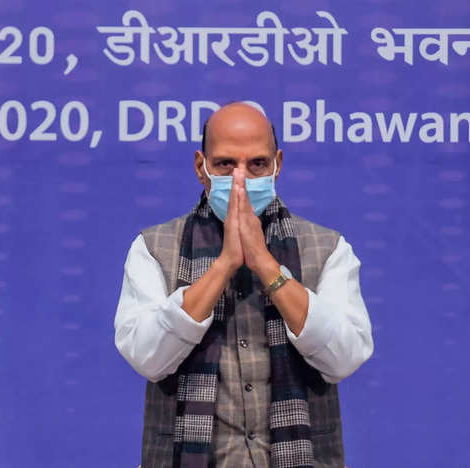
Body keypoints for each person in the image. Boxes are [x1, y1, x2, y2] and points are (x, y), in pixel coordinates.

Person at [114, 102, 374, 468]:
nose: (241, 180)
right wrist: (224, 266)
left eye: (257, 165)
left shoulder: (329, 247)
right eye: (225, 165)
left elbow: (344, 358)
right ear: (200, 168)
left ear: (277, 165)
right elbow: (148, 357)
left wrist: (267, 266)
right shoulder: (153, 247)